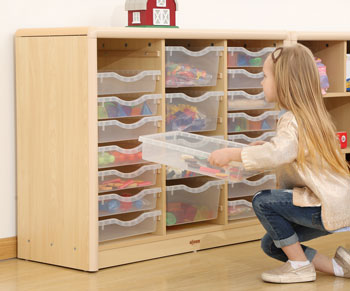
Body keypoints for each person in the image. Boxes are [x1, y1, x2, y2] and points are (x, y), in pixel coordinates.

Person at [208, 44, 350, 283]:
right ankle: (339, 267)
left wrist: (233, 153)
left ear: (284, 82)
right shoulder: (313, 116)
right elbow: (292, 152)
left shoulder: (291, 119)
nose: (262, 83)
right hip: (336, 204)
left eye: (265, 77)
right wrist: (260, 149)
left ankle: (299, 267)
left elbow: (278, 153)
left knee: (262, 201)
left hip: (321, 204)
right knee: (274, 243)